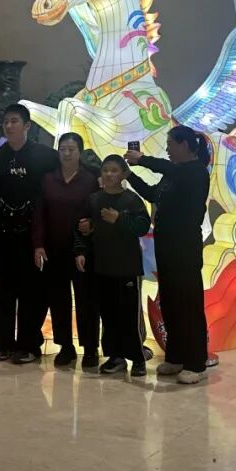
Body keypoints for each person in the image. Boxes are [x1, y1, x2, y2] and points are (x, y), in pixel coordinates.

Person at [125, 126, 212, 385]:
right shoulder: (173, 174)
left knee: (188, 305)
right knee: (171, 303)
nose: (167, 148)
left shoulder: (195, 172)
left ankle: (196, 363)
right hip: (166, 246)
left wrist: (142, 159)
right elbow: (153, 194)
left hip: (185, 247)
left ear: (184, 145)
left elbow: (168, 168)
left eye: (170, 143)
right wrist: (129, 176)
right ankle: (176, 357)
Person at [0, 104, 59, 364]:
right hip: (2, 234)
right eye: (6, 121)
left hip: (33, 236)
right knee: (0, 290)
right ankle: (2, 343)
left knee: (33, 291)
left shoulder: (46, 156)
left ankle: (29, 344)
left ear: (27, 125)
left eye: (14, 121)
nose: (9, 126)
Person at [74, 155, 151, 377]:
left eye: (114, 170)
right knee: (108, 315)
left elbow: (143, 226)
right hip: (102, 267)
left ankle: (138, 358)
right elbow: (81, 227)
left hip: (127, 267)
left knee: (129, 315)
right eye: (105, 170)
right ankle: (115, 357)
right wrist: (80, 250)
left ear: (123, 174)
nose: (109, 174)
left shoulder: (131, 200)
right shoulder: (94, 199)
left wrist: (119, 219)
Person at [31, 132, 100, 370]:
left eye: (71, 149)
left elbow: (98, 209)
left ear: (80, 152)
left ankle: (90, 348)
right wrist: (38, 244)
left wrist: (93, 225)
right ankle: (65, 347)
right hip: (54, 249)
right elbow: (39, 213)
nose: (67, 153)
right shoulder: (48, 179)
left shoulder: (91, 179)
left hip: (83, 251)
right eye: (63, 149)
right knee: (58, 299)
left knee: (86, 300)